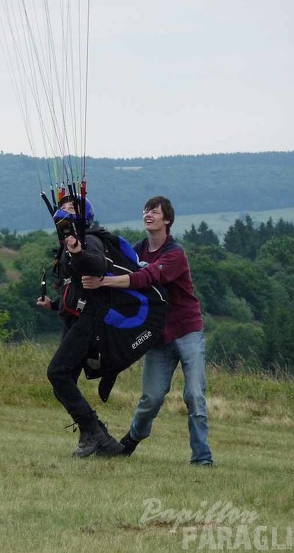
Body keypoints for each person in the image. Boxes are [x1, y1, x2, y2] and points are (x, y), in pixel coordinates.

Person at [82, 196, 213, 466]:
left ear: (167, 220)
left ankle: (202, 459)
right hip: (157, 336)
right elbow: (117, 263)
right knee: (151, 399)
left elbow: (147, 277)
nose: (147, 214)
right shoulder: (138, 250)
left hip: (187, 330)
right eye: (145, 210)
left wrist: (104, 282)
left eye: (154, 211)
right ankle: (130, 440)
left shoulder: (175, 254)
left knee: (194, 396)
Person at [37, 195, 124, 458]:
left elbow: (98, 265)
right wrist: (52, 305)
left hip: (89, 321)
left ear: (82, 215)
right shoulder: (68, 242)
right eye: (61, 207)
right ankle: (104, 440)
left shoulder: (89, 239)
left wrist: (77, 251)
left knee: (57, 373)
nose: (64, 210)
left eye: (70, 207)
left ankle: (92, 433)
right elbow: (72, 286)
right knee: (63, 381)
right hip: (75, 317)